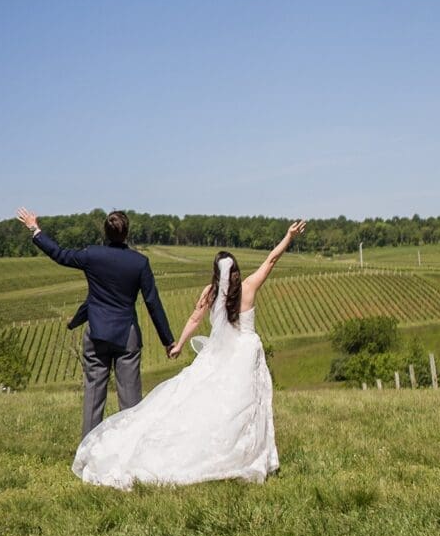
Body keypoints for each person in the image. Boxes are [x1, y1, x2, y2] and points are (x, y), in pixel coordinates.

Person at [71, 219, 307, 490]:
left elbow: (195, 319)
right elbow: (272, 260)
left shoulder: (210, 292)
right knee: (248, 406)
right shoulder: (249, 287)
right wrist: (289, 237)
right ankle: (248, 454)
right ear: (237, 272)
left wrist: (178, 345)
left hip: (217, 356)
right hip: (244, 356)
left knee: (205, 402)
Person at [16, 207, 176, 438]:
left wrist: (35, 229)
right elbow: (153, 302)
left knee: (93, 393)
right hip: (127, 335)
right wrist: (167, 340)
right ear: (126, 233)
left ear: (106, 232)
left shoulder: (92, 255)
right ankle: (129, 450)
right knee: (130, 399)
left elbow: (60, 254)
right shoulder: (139, 262)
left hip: (97, 332)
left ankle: (88, 451)